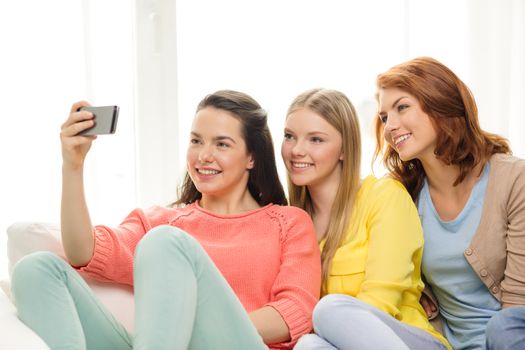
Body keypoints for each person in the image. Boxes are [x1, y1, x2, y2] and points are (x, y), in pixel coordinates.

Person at [11, 90, 321, 349]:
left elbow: (294, 312)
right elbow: (83, 252)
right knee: (35, 269)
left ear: (252, 156)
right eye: (196, 141)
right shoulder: (164, 221)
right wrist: (73, 165)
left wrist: (196, 325)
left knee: (164, 243)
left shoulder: (288, 222)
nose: (203, 156)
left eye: (221, 144)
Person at [374, 56, 525, 349]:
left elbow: (519, 302)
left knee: (504, 326)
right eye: (383, 117)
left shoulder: (513, 179)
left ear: (440, 103)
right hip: (445, 343)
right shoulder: (403, 195)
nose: (390, 126)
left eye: (402, 107)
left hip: (511, 338)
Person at [282, 88, 450, 349]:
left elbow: (382, 302)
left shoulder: (384, 196)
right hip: (333, 343)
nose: (297, 150)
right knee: (308, 346)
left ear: (344, 150)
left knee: (328, 310)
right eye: (289, 137)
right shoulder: (292, 223)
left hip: (407, 338)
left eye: (315, 139)